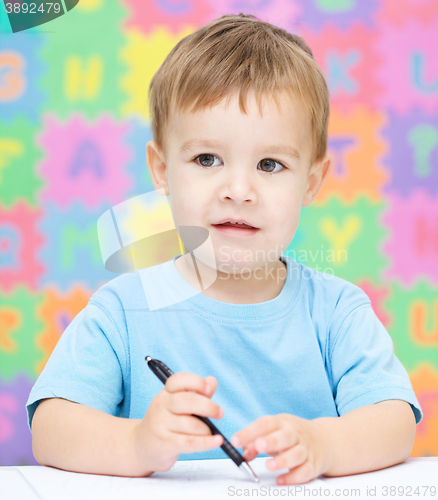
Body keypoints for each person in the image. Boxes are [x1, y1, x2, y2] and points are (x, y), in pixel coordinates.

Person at [27, 13, 422, 485]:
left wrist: (325, 445)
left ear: (312, 182)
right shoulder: (123, 311)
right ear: (161, 170)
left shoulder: (337, 312)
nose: (238, 189)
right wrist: (137, 444)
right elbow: (50, 429)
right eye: (206, 159)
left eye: (270, 164)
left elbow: (395, 421)